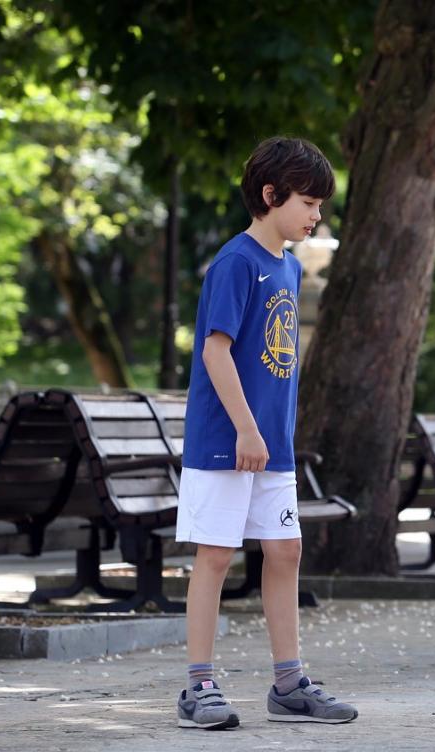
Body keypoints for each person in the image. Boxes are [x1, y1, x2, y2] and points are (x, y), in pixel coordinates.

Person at [174, 137, 357, 729]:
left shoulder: (288, 265)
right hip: (228, 441)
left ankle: (288, 683)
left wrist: (272, 436)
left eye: (321, 205)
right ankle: (197, 686)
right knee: (217, 555)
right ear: (271, 195)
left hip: (269, 447)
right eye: (308, 202)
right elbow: (215, 353)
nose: (316, 215)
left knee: (286, 550)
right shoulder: (237, 262)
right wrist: (248, 431)